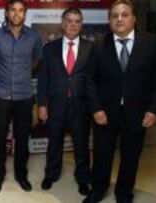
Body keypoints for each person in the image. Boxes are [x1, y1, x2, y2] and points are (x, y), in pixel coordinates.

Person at [83, 1, 156, 202]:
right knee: (102, 156)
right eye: (114, 15)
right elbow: (89, 80)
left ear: (134, 18)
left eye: (125, 14)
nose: (119, 19)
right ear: (109, 20)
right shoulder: (98, 45)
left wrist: (155, 110)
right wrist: (96, 109)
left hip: (138, 113)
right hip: (105, 113)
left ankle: (124, 193)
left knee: (131, 157)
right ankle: (98, 190)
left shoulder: (152, 43)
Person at [0, 0, 43, 193]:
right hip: (0, 95)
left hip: (24, 96)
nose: (16, 14)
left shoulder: (34, 37)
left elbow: (37, 60)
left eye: (20, 11)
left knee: (22, 138)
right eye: (13, 10)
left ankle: (21, 174)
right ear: (6, 13)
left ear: (25, 14)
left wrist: (23, 75)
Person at [37, 8, 91, 196]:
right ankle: (51, 175)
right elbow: (43, 79)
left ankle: (83, 179)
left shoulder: (90, 48)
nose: (73, 25)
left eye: (77, 21)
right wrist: (42, 105)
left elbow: (94, 80)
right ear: (62, 23)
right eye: (69, 21)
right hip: (56, 105)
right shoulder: (49, 48)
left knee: (81, 145)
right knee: (54, 143)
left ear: (81, 25)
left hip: (81, 106)